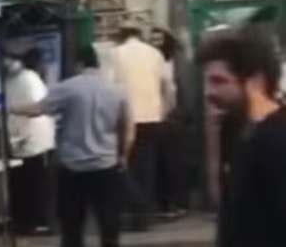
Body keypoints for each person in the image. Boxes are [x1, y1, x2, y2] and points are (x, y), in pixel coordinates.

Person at [12, 44, 134, 247]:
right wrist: (123, 156)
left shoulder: (68, 88)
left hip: (73, 167)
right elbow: (127, 128)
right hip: (106, 165)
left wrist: (10, 108)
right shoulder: (117, 90)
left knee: (72, 227)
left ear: (78, 63)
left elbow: (37, 109)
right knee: (109, 225)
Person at [197, 28, 286, 247]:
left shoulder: (276, 136)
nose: (209, 92)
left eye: (219, 81)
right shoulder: (232, 128)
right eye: (206, 82)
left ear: (255, 81)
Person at [111, 20, 168, 223]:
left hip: (127, 117)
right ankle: (144, 212)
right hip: (153, 116)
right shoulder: (155, 53)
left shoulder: (116, 54)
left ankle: (136, 207)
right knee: (147, 166)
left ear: (122, 35)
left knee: (124, 165)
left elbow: (111, 87)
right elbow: (166, 85)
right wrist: (163, 110)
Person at [4, 55, 55, 235]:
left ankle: (40, 222)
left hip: (34, 141)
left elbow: (38, 108)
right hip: (17, 140)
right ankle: (22, 221)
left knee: (36, 184)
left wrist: (11, 110)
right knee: (18, 184)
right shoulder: (9, 81)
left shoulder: (29, 79)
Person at [150, 27, 188, 218]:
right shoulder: (154, 61)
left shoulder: (173, 61)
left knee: (172, 162)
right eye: (153, 40)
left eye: (159, 39)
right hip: (158, 117)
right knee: (161, 163)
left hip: (170, 117)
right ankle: (164, 203)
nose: (156, 43)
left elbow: (173, 90)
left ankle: (174, 202)